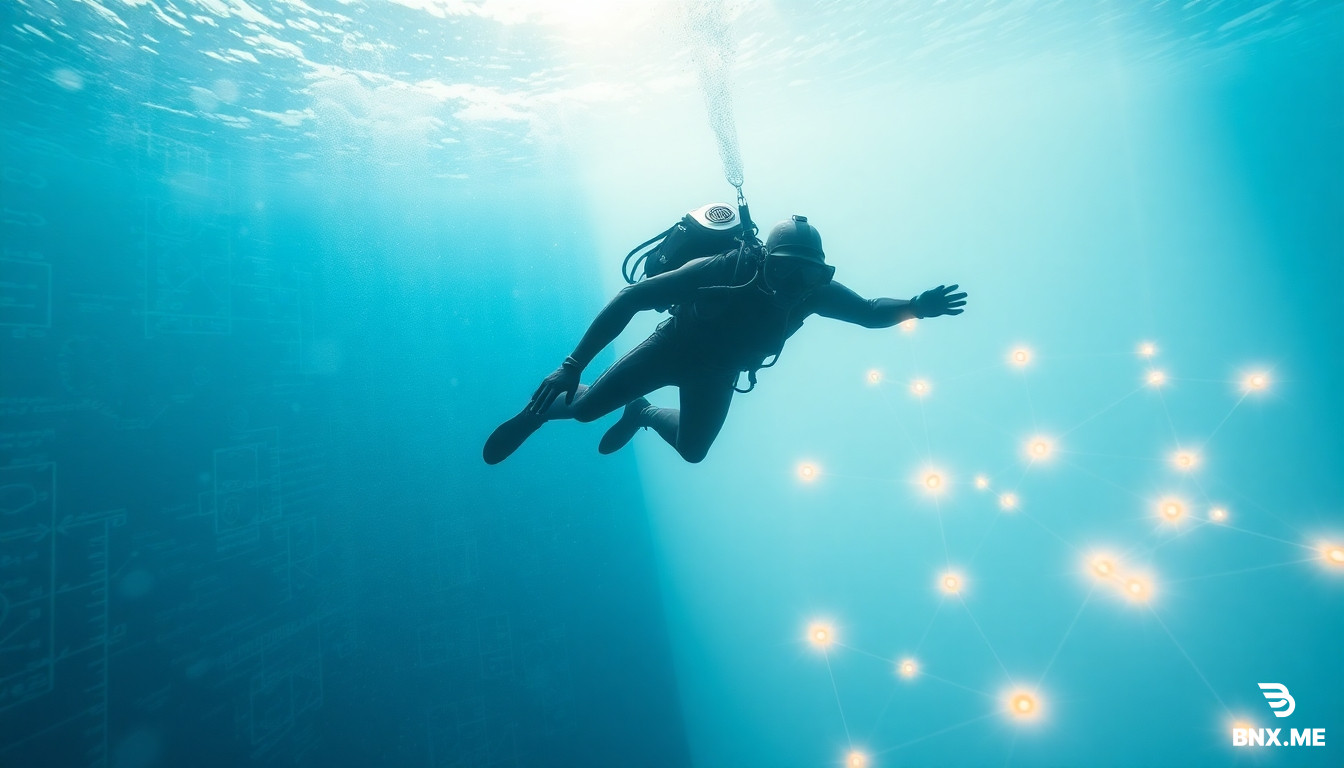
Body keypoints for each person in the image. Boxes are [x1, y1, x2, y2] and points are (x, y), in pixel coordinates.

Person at [483, 214, 967, 464]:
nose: (793, 283)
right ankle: (541, 411)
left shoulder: (813, 293)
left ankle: (643, 413)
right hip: (669, 348)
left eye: (809, 274)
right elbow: (633, 297)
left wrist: (914, 308)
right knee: (587, 410)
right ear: (764, 258)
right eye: (784, 269)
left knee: (694, 451)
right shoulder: (723, 267)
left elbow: (865, 312)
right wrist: (573, 364)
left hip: (717, 375)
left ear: (821, 273)